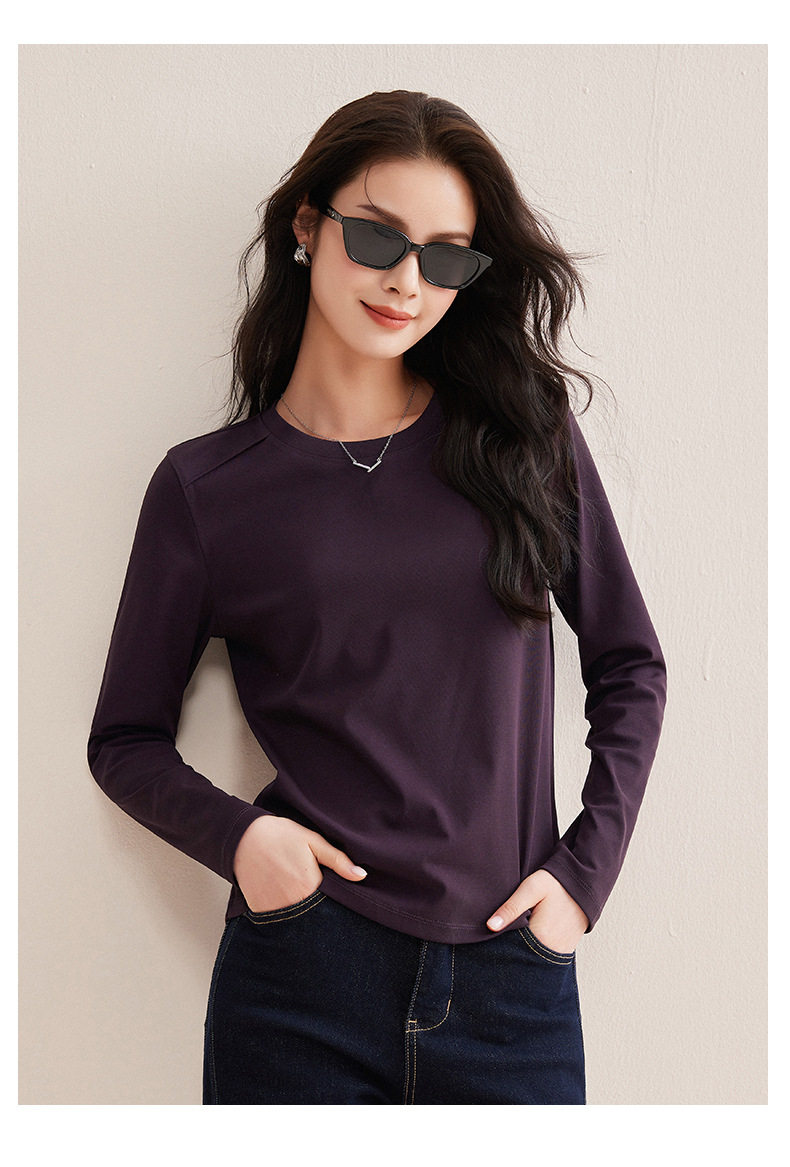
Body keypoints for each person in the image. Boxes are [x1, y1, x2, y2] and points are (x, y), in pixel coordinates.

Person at [87, 90, 667, 1106]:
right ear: (307, 228)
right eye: (376, 238)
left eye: (446, 257)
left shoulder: (521, 435)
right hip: (300, 977)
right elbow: (123, 740)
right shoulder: (207, 489)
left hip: (512, 980)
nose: (407, 281)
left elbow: (631, 666)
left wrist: (582, 880)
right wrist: (245, 841)